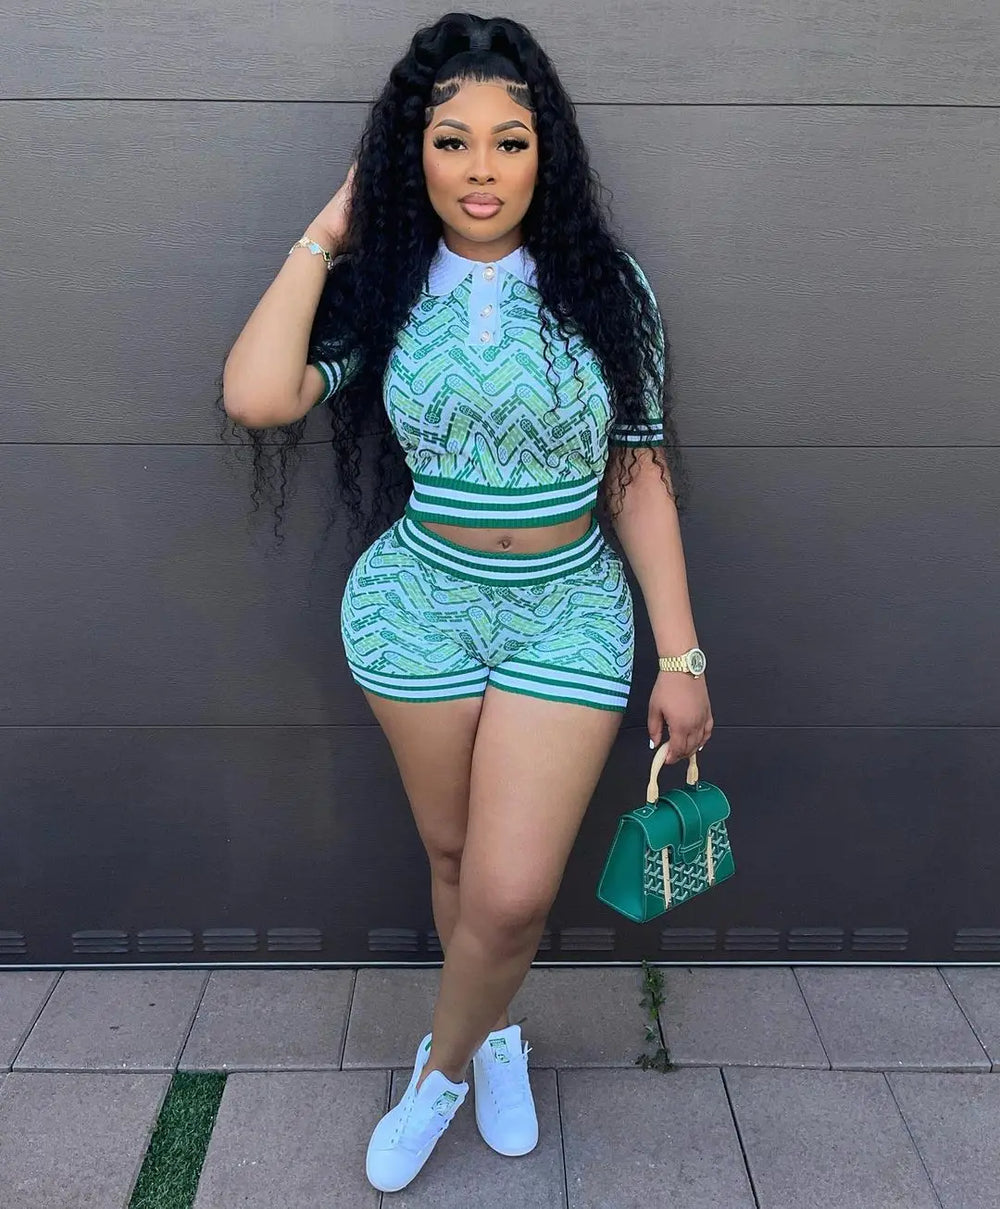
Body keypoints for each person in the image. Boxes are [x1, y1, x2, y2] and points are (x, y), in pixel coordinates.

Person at [220, 11, 713, 1194]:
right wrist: (331, 229)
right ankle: (491, 1030)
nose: (480, 169)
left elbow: (638, 473)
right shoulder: (386, 287)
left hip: (567, 609)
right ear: (413, 156)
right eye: (450, 142)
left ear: (548, 154)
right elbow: (258, 396)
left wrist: (681, 656)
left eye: (509, 141)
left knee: (509, 888)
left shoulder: (607, 290)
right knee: (452, 854)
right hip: (416, 611)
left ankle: (437, 1074)